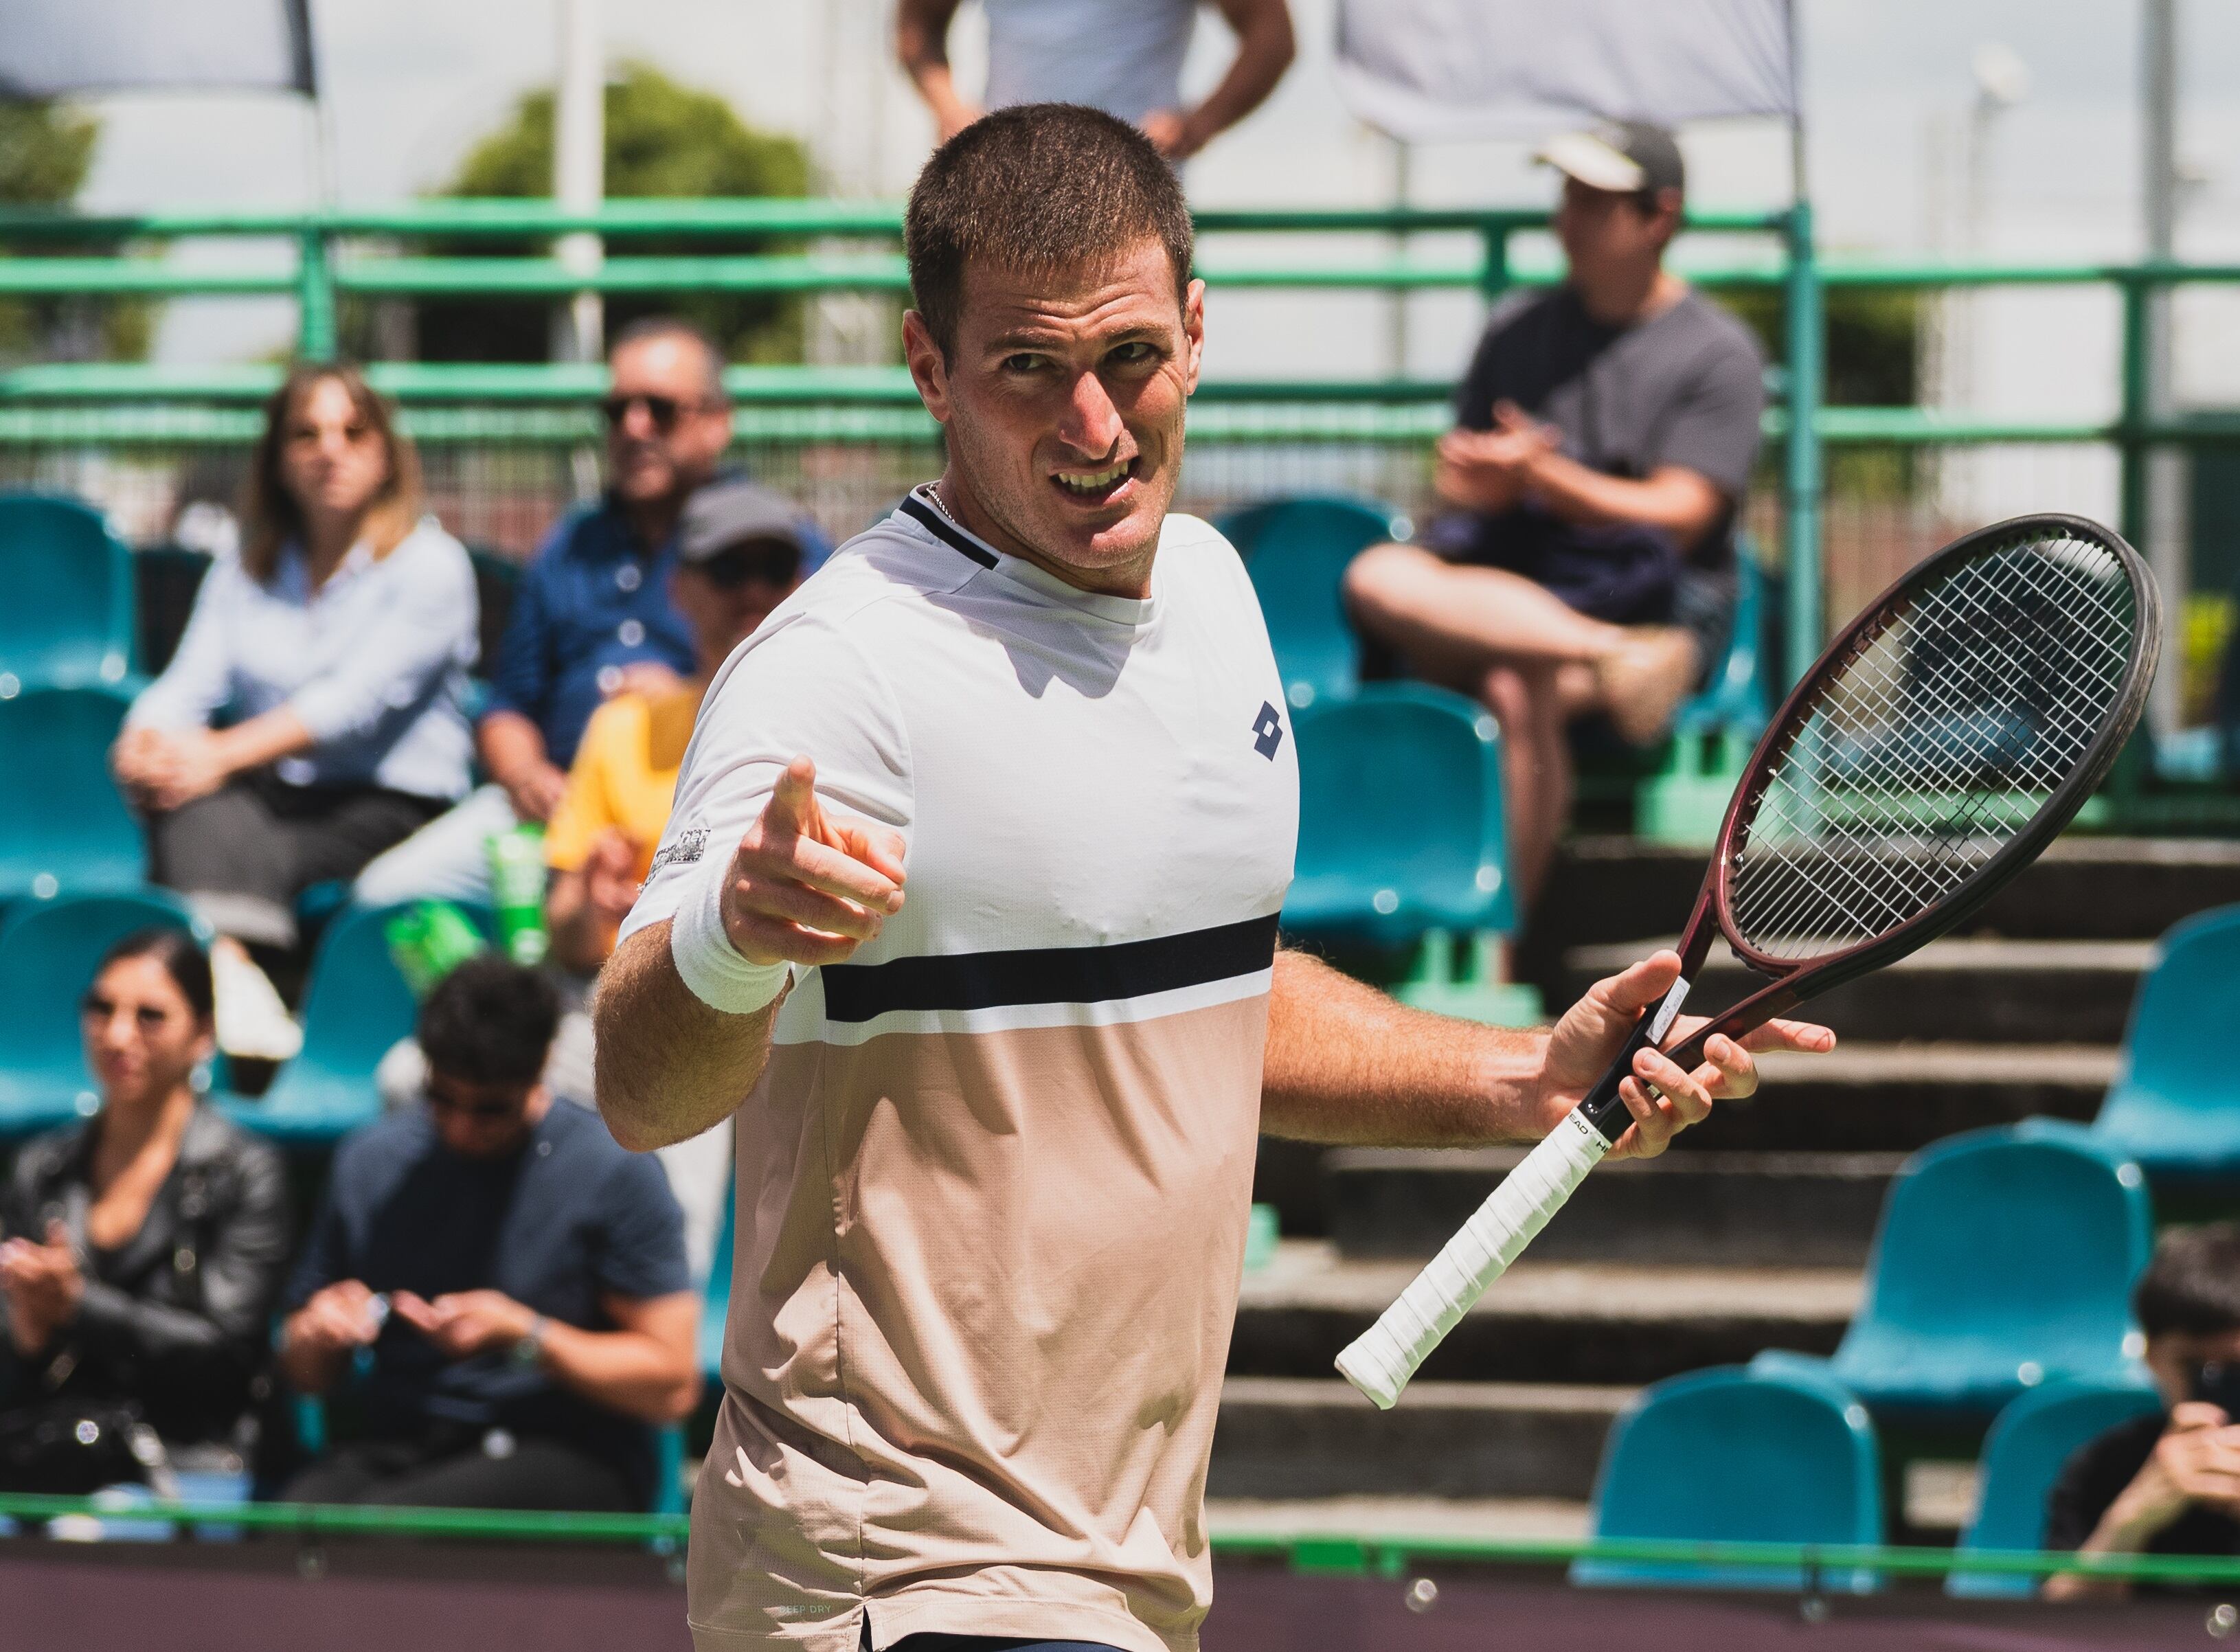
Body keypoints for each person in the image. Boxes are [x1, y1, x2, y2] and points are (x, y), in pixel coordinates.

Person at [593, 105, 1833, 1652]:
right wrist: (726, 936)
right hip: (895, 1567)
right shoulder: (837, 672)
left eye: (1127, 356)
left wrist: (1518, 1068)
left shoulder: (1218, 598)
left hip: (1127, 1563)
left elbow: (1197, 999)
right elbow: (641, 1090)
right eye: (1026, 370)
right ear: (929, 367)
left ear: (1196, 324)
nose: (1095, 426)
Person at [1342, 120, 1767, 907]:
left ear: (1659, 218)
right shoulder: (1519, 328)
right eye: (1567, 195)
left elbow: (1680, 515)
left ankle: (1492, 948)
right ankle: (1618, 653)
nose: (1566, 218)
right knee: (1376, 572)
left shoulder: (1718, 353)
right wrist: (1491, 485)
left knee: (1511, 684)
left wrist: (1544, 477)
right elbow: (1461, 483)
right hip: (1547, 586)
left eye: (1593, 201)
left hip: (1653, 594)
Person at [354, 315, 792, 909]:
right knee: (387, 894)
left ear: (717, 421)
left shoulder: (767, 541)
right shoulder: (569, 545)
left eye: (659, 409)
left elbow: (804, 691)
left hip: (695, 810)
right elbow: (508, 703)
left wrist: (691, 697)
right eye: (617, 411)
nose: (635, 428)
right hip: (551, 816)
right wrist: (527, 774)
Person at [113, 363, 479, 1057]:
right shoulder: (244, 565)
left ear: (385, 453)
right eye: (306, 433)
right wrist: (144, 740)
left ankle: (230, 994)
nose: (329, 448)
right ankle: (238, 984)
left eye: (352, 430)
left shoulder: (434, 565)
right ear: (278, 458)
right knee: (187, 806)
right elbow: (187, 680)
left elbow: (353, 705)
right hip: (273, 790)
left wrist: (213, 754)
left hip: (389, 802)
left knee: (223, 824)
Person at [278, 955, 698, 1512]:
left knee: (380, 1535)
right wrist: (317, 1333)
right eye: (442, 1100)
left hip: (565, 1450)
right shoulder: (371, 1161)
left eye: (490, 1109)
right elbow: (304, 1372)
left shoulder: (613, 1171)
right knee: (288, 1532)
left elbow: (671, 1384)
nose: (462, 1127)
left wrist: (526, 1334)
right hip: (405, 1443)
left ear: (540, 1067)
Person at [540, 477, 817, 1278]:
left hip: (779, 1012)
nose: (757, 591)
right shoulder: (625, 724)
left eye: (776, 567)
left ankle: (658, 1350)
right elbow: (563, 925)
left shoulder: (844, 716)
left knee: (679, 1098)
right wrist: (589, 905)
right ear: (682, 588)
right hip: (621, 994)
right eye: (732, 571)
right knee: (413, 1078)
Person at [0, 931, 291, 1492]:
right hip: (54, 1447)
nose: (116, 1034)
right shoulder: (43, 1165)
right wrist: (28, 1332)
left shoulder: (246, 1171)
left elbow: (225, 1357)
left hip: (190, 1452)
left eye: (149, 1016)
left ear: (203, 1034)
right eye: (101, 1009)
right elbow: (18, 1365)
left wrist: (78, 1306)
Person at [2046, 1225, 2240, 1599]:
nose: (2217, 1391)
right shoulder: (2102, 1467)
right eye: (2195, 1367)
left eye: (2236, 1369)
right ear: (2152, 1358)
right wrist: (2130, 1521)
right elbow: (2054, 1630)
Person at [897, 0, 1295, 163]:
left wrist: (1196, 126)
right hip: (1006, 180)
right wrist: (951, 110)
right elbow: (916, 28)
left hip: (1133, 195)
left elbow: (1272, 39)